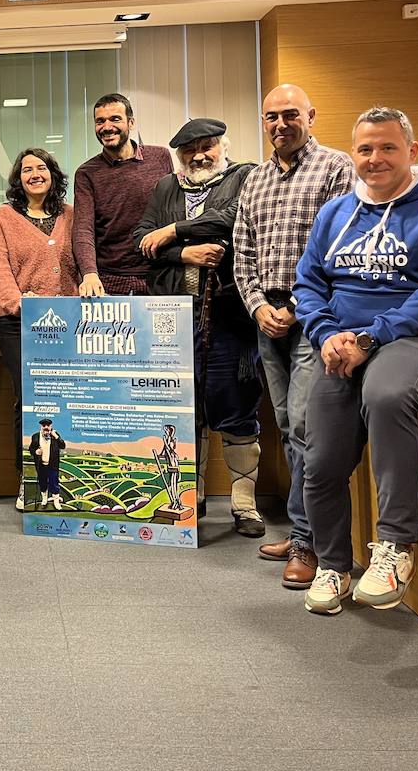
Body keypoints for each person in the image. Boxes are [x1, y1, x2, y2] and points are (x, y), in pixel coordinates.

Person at [295, 107, 418, 616]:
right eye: (365, 149)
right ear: (352, 154)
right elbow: (308, 283)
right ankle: (333, 565)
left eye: (387, 148)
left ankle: (396, 546)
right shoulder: (335, 213)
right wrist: (328, 333)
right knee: (321, 454)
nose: (374, 159)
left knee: (385, 393)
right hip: (346, 344)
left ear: (412, 151)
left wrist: (370, 337)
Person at [233, 84, 353, 588]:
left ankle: (308, 544)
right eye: (270, 117)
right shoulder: (256, 179)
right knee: (286, 427)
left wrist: (297, 307)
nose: (280, 124)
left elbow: (344, 247)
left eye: (289, 115)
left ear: (310, 115)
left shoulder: (335, 168)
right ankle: (303, 530)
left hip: (315, 318)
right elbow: (243, 253)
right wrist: (259, 307)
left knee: (306, 428)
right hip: (268, 321)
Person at [132, 118, 263, 536]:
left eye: (206, 146)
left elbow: (231, 218)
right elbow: (142, 239)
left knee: (235, 403)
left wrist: (174, 231)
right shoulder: (166, 188)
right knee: (185, 408)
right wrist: (184, 253)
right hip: (173, 317)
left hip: (229, 316)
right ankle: (194, 498)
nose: (198, 156)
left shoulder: (245, 176)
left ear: (223, 146)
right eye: (189, 151)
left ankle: (244, 506)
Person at [0, 146, 78, 510]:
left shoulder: (72, 215)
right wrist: (19, 304)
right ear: (17, 179)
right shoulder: (3, 218)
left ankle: (62, 481)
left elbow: (86, 257)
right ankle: (28, 482)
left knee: (68, 399)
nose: (35, 174)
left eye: (42, 168)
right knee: (29, 401)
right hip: (18, 323)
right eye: (27, 170)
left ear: (53, 174)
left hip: (67, 323)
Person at [73, 92, 173, 297]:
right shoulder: (86, 173)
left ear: (131, 122)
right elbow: (83, 229)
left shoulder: (160, 157)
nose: (107, 127)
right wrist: (89, 273)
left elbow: (173, 209)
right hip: (111, 281)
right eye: (100, 121)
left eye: (115, 119)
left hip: (161, 274)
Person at [28, 418, 66, 510]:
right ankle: (44, 500)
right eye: (44, 425)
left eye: (48, 425)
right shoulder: (35, 436)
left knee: (54, 483)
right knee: (43, 483)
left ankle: (56, 502)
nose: (46, 427)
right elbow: (31, 449)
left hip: (52, 465)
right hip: (41, 465)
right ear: (41, 426)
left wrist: (56, 436)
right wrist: (36, 452)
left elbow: (63, 446)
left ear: (51, 426)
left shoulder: (55, 436)